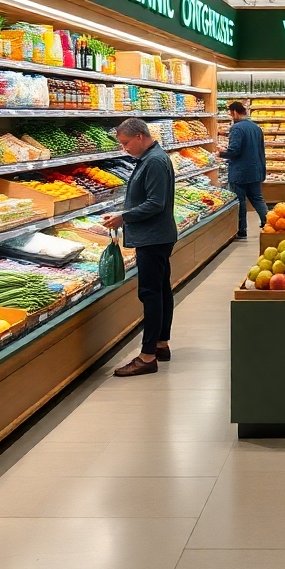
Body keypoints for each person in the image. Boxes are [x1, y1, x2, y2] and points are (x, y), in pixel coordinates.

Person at [104, 117, 177, 377]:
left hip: (153, 237)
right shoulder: (150, 158)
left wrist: (124, 216)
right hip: (155, 235)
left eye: (125, 143)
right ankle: (161, 344)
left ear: (140, 137)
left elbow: (156, 203)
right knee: (161, 290)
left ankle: (147, 357)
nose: (124, 148)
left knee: (150, 294)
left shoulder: (155, 161)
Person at [220, 100, 268, 241]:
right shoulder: (256, 127)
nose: (230, 116)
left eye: (230, 114)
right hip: (255, 170)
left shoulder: (237, 128)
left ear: (234, 112)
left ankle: (241, 230)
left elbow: (235, 150)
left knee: (239, 201)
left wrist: (222, 153)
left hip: (240, 172)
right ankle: (268, 223)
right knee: (257, 198)